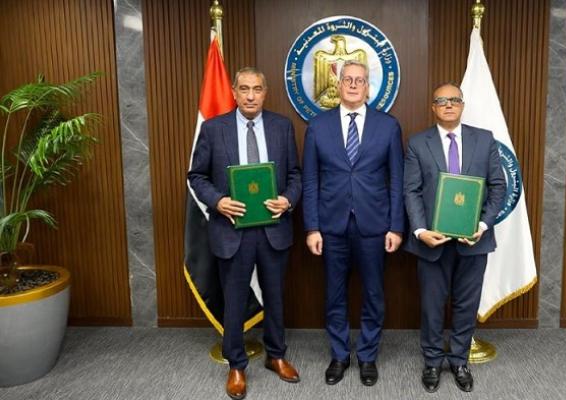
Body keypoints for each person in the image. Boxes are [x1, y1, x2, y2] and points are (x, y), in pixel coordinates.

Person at [188, 67, 301, 400]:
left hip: (273, 229)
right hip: (231, 231)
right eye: (244, 89)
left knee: (275, 297)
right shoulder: (213, 129)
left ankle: (276, 355)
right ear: (234, 93)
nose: (251, 96)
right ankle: (236, 364)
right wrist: (218, 201)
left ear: (265, 92)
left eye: (257, 89)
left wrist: (288, 200)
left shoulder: (282, 126)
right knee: (234, 300)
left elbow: (295, 175)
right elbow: (197, 176)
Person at [302, 60, 404, 386]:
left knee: (373, 293)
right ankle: (339, 354)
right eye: (348, 79)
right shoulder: (317, 126)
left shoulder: (388, 126)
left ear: (368, 87)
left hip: (374, 225)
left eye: (360, 80)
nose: (354, 85)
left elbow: (397, 181)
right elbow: (310, 181)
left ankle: (368, 356)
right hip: (331, 226)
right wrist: (312, 227)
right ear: (339, 84)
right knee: (334, 294)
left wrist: (396, 226)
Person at [403, 82, 506, 393]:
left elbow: (498, 187)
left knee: (466, 304)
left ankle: (460, 360)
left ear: (462, 105)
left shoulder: (484, 140)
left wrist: (483, 225)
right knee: (432, 306)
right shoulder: (418, 143)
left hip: (474, 240)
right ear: (433, 107)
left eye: (454, 100)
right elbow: (411, 190)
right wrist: (420, 231)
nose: (448, 105)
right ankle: (433, 361)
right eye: (441, 101)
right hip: (432, 242)